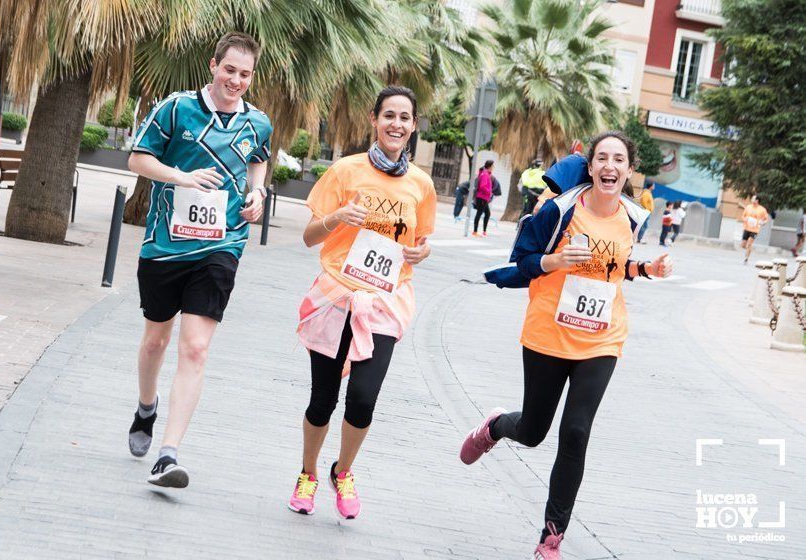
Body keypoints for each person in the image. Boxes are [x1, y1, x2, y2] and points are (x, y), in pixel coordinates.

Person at [461, 130, 673, 560]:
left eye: (619, 160)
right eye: (602, 159)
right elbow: (522, 260)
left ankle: (551, 537)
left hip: (602, 338)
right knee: (534, 432)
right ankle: (498, 426)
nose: (610, 167)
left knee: (575, 432)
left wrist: (646, 268)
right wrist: (553, 261)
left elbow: (616, 269)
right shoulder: (558, 210)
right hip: (547, 334)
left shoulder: (633, 216)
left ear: (629, 170)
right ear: (590, 166)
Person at [125, 32, 271, 488]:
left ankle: (168, 456)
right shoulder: (176, 107)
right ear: (213, 65)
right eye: (230, 70)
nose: (236, 81)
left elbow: (259, 161)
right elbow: (137, 159)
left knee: (196, 347)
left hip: (222, 244)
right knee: (156, 342)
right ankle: (146, 407)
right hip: (165, 245)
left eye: (245, 74)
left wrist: (257, 192)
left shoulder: (257, 123)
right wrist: (180, 176)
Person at [289, 85, 436, 519]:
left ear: (413, 126)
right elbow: (310, 235)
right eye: (388, 115)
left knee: (364, 398)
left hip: (386, 302)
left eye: (405, 118)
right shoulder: (345, 170)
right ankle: (309, 473)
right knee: (323, 399)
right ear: (374, 120)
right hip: (337, 295)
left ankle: (344, 471)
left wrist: (421, 252)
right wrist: (336, 218)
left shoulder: (421, 184)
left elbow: (422, 241)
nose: (397, 124)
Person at [741, 195, 770, 264]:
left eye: (753, 199)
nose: (751, 200)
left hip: (755, 230)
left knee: (749, 243)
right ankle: (749, 250)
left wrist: (762, 223)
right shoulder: (748, 207)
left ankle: (746, 258)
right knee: (743, 245)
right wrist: (745, 219)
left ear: (757, 201)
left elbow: (766, 219)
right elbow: (743, 216)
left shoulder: (762, 209)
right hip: (747, 228)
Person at [473, 160, 494, 236]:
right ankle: (475, 231)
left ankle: (484, 231)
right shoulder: (485, 174)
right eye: (493, 166)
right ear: (490, 166)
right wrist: (489, 192)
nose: (493, 167)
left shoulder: (486, 174)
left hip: (484, 198)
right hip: (482, 197)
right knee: (479, 213)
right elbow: (482, 186)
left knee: (487, 214)